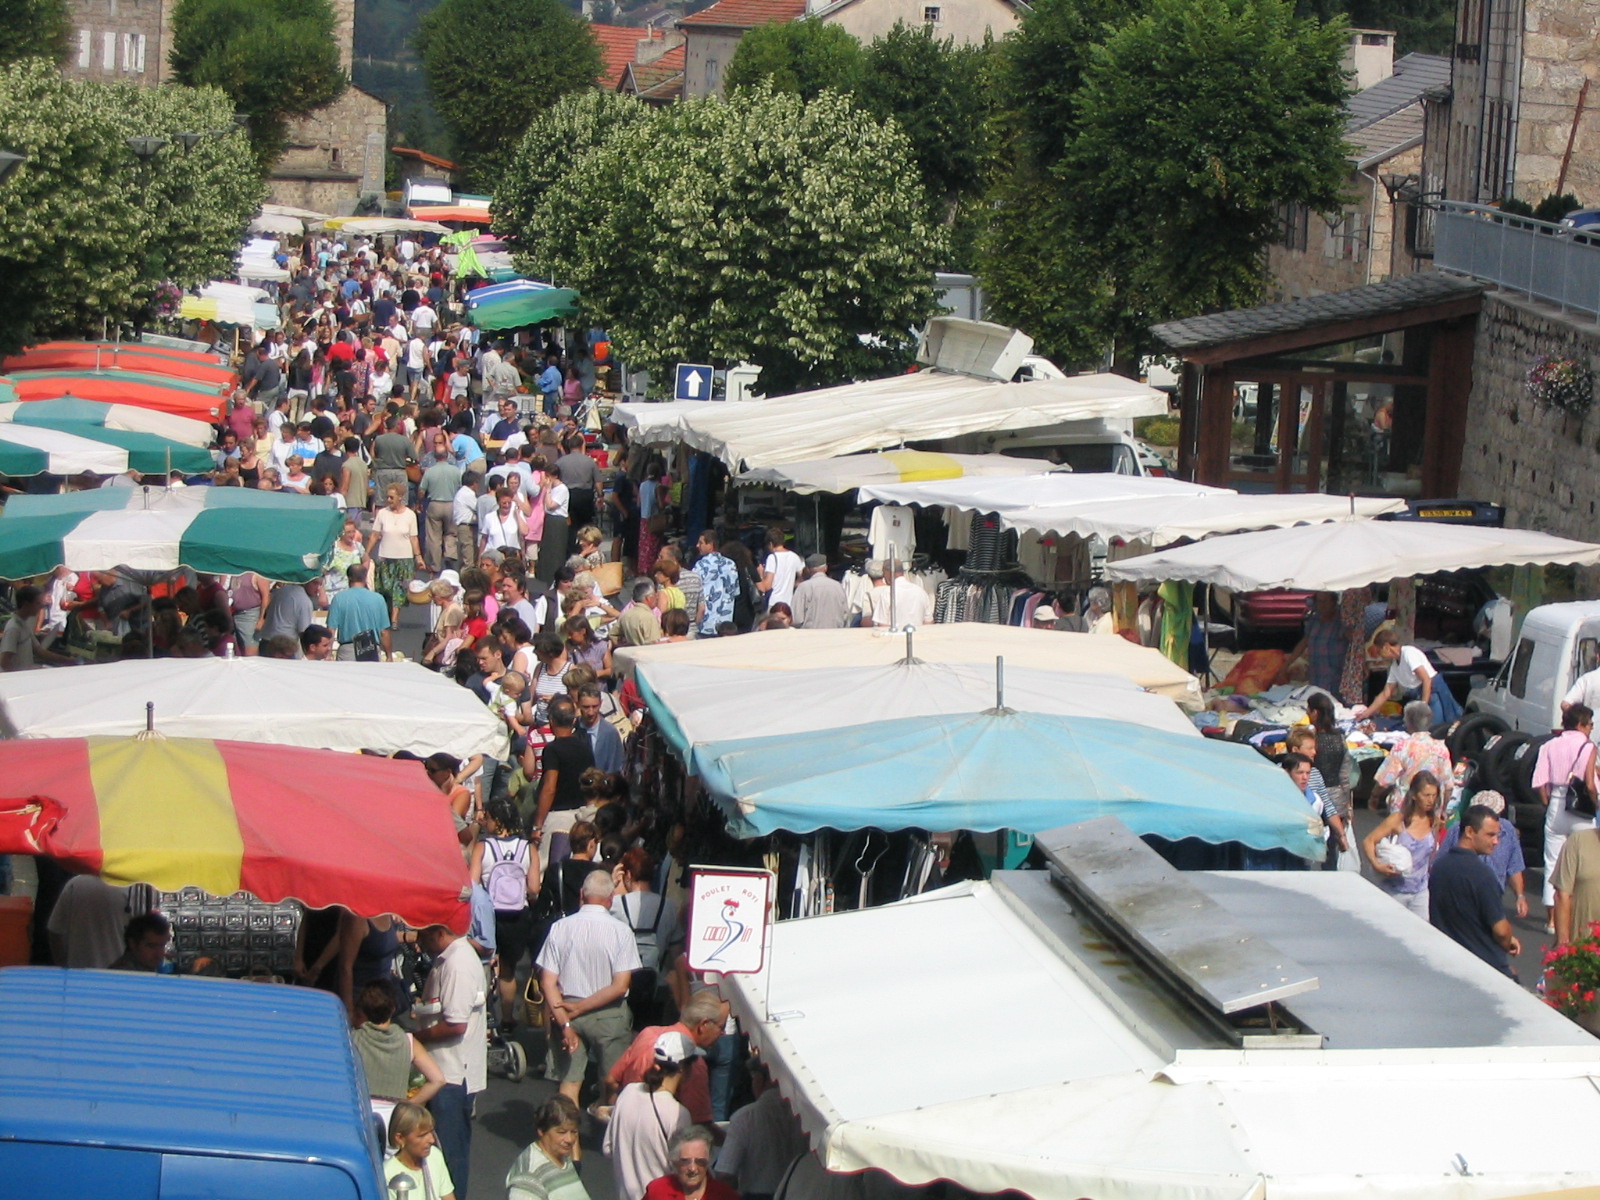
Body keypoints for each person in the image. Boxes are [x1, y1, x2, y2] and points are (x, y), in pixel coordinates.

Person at [537, 868, 642, 1103]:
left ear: (582, 895)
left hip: (565, 1009)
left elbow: (548, 982)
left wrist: (566, 1021)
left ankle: (566, 1136)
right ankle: (604, 1136)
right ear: (610, 899)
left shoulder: (560, 928)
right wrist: (583, 1007)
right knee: (611, 1082)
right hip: (609, 1014)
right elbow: (620, 985)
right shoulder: (621, 932)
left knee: (569, 1081)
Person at [412, 921, 486, 1198]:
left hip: (453, 1075)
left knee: (449, 1156)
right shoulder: (450, 959)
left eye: (424, 936)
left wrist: (415, 1039)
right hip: (445, 1072)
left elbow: (455, 1024)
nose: (420, 942)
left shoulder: (458, 964)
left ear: (440, 933)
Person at [606, 989, 728, 1128]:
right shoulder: (692, 1062)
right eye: (722, 1027)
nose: (723, 1033)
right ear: (703, 1025)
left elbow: (611, 1080)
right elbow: (699, 1123)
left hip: (628, 1127)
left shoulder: (647, 1033)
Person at [469, 797, 538, 1030]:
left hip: (489, 914)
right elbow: (534, 889)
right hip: (517, 917)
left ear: (496, 821)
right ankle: (508, 1019)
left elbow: (473, 884)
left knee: (484, 966)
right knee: (508, 971)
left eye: (487, 818)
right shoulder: (529, 848)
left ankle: (483, 1017)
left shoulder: (483, 847)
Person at [605, 1030, 698, 1200]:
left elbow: (608, 1148)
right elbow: (684, 1170)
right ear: (683, 1068)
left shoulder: (628, 1092)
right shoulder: (678, 1114)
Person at [1430, 804, 1521, 976]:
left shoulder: (1440, 867)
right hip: (1483, 966)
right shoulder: (1483, 875)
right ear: (1470, 832)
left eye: (1497, 835)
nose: (1496, 841)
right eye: (1490, 835)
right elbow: (1501, 931)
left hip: (1444, 960)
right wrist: (1508, 940)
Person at [1534, 703, 1600, 926]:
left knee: (1552, 861)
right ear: (1581, 724)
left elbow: (1540, 783)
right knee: (1585, 863)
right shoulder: (1588, 746)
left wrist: (1550, 804)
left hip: (1556, 803)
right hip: (1581, 809)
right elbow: (1590, 784)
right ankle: (1577, 918)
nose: (1591, 728)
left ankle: (1552, 920)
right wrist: (1596, 804)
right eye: (1590, 724)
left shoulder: (1550, 745)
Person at [351, 980, 446, 1131]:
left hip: (358, 1109)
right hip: (393, 1116)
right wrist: (409, 1104)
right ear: (392, 1009)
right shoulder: (408, 1041)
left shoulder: (352, 1038)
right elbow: (438, 1080)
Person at [714, 1059, 807, 1200]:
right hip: (800, 1194)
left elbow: (725, 1173)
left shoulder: (744, 1117)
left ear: (759, 1079)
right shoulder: (804, 1116)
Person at [612, 847, 678, 1029]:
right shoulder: (669, 906)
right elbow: (676, 952)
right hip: (658, 987)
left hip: (621, 985)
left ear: (628, 874)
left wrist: (614, 884)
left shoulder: (616, 904)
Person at [1362, 769, 1442, 917]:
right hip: (1395, 891)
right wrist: (1377, 865)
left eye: (1434, 796)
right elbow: (1369, 841)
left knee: (1421, 934)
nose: (1431, 800)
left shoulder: (1434, 822)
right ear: (1414, 796)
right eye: (1426, 795)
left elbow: (1432, 854)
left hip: (1421, 891)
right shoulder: (1399, 820)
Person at [1440, 789, 1528, 918]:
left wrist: (1520, 896)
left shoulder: (1508, 831)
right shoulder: (1457, 830)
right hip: (1462, 898)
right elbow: (1441, 864)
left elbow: (1514, 866)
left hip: (1493, 898)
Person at [531, 696, 594, 870]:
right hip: (583, 815)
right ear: (574, 720)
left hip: (558, 818)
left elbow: (549, 787)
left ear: (551, 721)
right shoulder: (585, 747)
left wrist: (538, 825)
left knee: (547, 867)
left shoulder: (552, 750)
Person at [1357, 628, 1462, 724]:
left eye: (1380, 651)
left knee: (1436, 729)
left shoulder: (1408, 653)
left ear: (1386, 647)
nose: (1380, 655)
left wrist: (1423, 707)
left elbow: (1426, 679)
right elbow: (1386, 693)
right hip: (1418, 695)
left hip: (1433, 692)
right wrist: (1367, 713)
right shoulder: (1394, 666)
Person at [1371, 701, 1454, 814]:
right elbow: (1448, 785)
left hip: (1404, 809)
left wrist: (1374, 796)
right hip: (1432, 809)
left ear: (1408, 722)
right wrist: (1442, 810)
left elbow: (1384, 780)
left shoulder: (1402, 747)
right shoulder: (1441, 749)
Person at [506, 1095, 588, 1200]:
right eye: (561, 1132)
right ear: (541, 1131)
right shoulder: (529, 1178)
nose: (570, 1139)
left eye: (574, 1132)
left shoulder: (561, 1154)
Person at [367, 483, 424, 628]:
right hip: (385, 557)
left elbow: (413, 538)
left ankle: (394, 620)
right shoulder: (382, 513)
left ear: (400, 497)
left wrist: (418, 557)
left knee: (399, 590)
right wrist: (366, 553)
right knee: (385, 589)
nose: (388, 500)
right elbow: (374, 535)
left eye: (392, 497)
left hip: (404, 558)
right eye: (387, 497)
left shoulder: (410, 515)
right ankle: (385, 615)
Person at [1276, 592, 1359, 693]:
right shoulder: (1314, 619)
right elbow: (1304, 642)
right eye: (1319, 602)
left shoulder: (1343, 619)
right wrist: (1285, 666)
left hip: (1336, 678)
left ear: (1334, 602)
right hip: (1316, 676)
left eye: (1325, 601)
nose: (1322, 605)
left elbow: (1355, 643)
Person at [1281, 752, 1347, 866]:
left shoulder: (1316, 801)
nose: (1305, 777)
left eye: (1308, 773)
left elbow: (1321, 828)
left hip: (1305, 858)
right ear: (1287, 773)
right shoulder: (1276, 799)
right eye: (1300, 773)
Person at [384, 1102, 457, 1200]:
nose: (432, 1140)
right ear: (400, 1138)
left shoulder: (434, 1156)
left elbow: (448, 1196)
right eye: (422, 1135)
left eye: (431, 1132)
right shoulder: (387, 1174)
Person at [643, 1127, 738, 1200]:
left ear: (709, 1161)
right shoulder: (657, 1191)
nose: (693, 1168)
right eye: (685, 1161)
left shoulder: (725, 1195)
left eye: (700, 1161)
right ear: (674, 1161)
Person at [325, 562, 392, 661]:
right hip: (371, 649)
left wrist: (328, 654)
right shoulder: (378, 599)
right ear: (365, 577)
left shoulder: (339, 598)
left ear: (349, 578)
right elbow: (384, 632)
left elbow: (331, 629)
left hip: (347, 649)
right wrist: (389, 655)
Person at [1, 585, 77, 670]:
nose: (41, 607)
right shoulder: (13, 628)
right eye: (38, 603)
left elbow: (40, 652)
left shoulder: (23, 624)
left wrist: (68, 660)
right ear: (26, 604)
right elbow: (4, 661)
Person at [691, 531, 737, 637]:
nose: (697, 546)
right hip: (725, 624)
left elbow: (694, 591)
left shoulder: (701, 565)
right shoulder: (731, 564)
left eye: (701, 543)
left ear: (710, 545)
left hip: (705, 623)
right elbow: (734, 592)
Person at [790, 553, 847, 630]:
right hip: (835, 634)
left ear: (808, 570)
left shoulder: (804, 587)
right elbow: (845, 615)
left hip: (811, 636)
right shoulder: (838, 586)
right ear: (826, 568)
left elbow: (796, 618)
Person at [757, 530, 804, 611]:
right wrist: (794, 584)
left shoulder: (772, 558)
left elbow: (767, 586)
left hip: (774, 602)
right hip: (789, 602)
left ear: (771, 544)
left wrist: (760, 574)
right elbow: (803, 577)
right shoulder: (794, 556)